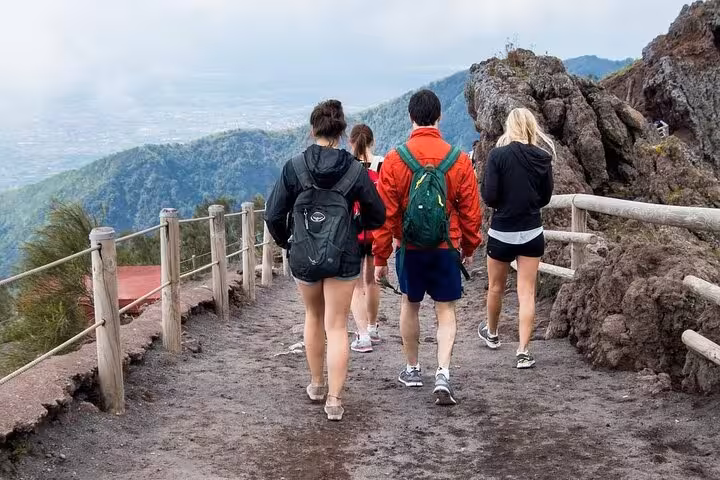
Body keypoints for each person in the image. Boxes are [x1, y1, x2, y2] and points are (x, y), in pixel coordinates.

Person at [265, 100, 386, 420]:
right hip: (344, 255)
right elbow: (378, 214)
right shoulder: (355, 170)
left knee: (313, 317)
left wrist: (286, 242)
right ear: (341, 131)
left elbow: (273, 213)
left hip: (304, 254)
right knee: (336, 325)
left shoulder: (294, 167)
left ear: (312, 130)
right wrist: (353, 227)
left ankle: (317, 384)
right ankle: (334, 400)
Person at [373, 89, 482, 405]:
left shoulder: (394, 160)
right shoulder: (459, 161)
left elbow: (385, 214)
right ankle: (443, 373)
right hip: (447, 245)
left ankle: (412, 368)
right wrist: (470, 247)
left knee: (410, 303)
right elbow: (471, 212)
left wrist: (381, 258)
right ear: (439, 117)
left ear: (410, 117)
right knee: (446, 310)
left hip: (409, 247)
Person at [477, 107, 555, 369]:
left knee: (496, 286)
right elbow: (545, 197)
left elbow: (489, 196)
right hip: (532, 231)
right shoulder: (543, 157)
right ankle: (523, 351)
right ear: (532, 127)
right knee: (527, 292)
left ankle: (493, 333)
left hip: (501, 230)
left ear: (509, 127)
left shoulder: (498, 156)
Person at [348, 124, 383, 353]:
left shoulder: (348, 167)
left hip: (353, 231)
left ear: (352, 142)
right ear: (372, 142)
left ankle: (362, 336)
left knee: (355, 284)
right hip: (376, 231)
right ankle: (372, 327)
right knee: (372, 281)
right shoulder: (382, 163)